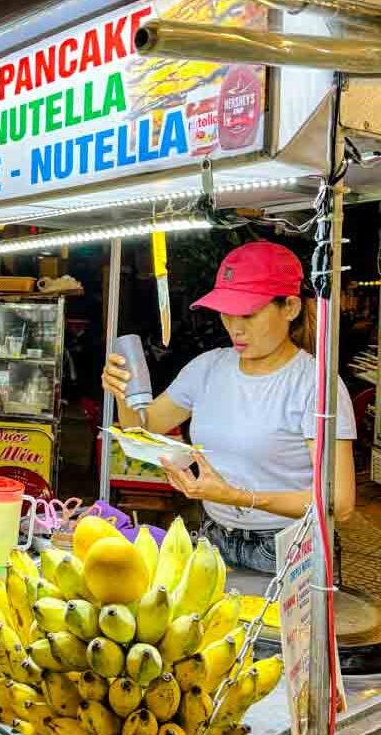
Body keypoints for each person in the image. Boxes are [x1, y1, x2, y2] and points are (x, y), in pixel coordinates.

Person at [102, 241, 356, 574]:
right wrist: (122, 391)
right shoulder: (208, 368)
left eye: (248, 314)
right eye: (226, 312)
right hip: (215, 537)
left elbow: (340, 502)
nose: (235, 327)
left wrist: (238, 496)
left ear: (290, 307)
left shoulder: (314, 385)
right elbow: (143, 427)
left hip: (289, 547)